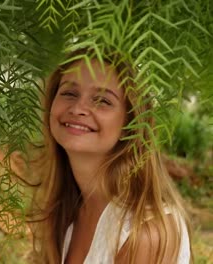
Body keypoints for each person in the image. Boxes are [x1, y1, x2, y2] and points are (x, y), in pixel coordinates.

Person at [30, 49, 192, 264]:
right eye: (69, 93)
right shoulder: (66, 210)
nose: (78, 108)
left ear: (131, 123)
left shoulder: (143, 232)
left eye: (102, 100)